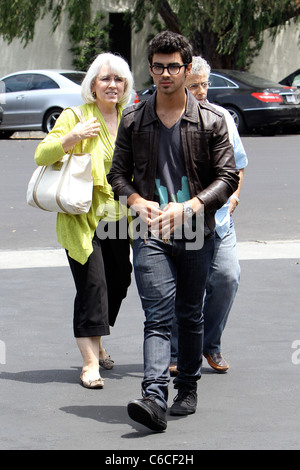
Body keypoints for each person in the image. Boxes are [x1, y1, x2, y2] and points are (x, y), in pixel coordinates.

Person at [108, 31, 239, 431]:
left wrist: (192, 205)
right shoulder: (134, 119)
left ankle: (188, 386)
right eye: (159, 66)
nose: (166, 73)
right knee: (158, 315)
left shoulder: (212, 120)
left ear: (186, 69)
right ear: (151, 69)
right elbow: (117, 175)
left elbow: (228, 176)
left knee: (189, 313)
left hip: (197, 230)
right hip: (150, 232)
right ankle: (153, 396)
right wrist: (135, 201)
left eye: (173, 67)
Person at [34, 53, 133, 389]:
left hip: (118, 217)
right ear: (93, 84)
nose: (112, 85)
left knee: (119, 283)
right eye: (105, 79)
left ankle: (99, 338)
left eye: (118, 79)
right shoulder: (75, 115)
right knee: (93, 286)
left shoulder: (130, 118)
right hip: (82, 217)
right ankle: (90, 363)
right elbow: (41, 155)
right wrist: (72, 137)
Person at [169, 56, 248, 376]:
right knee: (183, 287)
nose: (202, 91)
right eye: (195, 86)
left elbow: (238, 163)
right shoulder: (168, 118)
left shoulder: (223, 118)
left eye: (205, 84)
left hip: (219, 221)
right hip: (184, 222)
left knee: (227, 278)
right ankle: (176, 351)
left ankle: (209, 344)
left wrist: (236, 195)